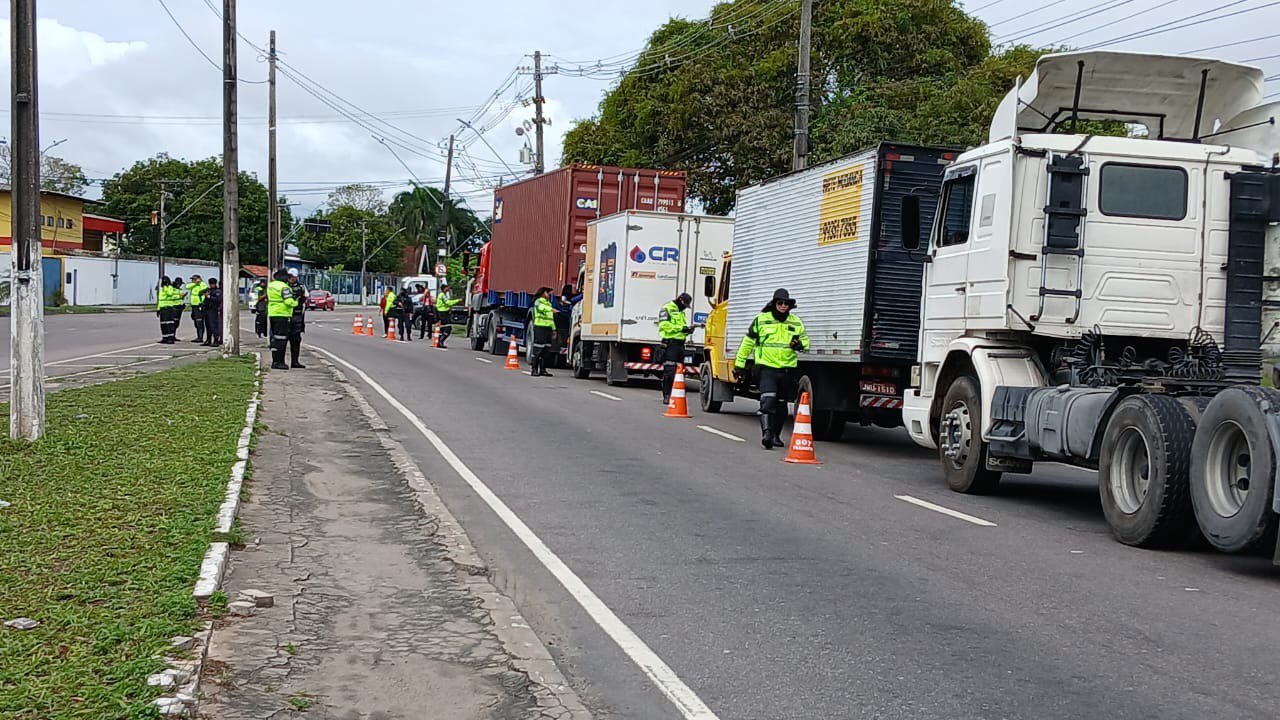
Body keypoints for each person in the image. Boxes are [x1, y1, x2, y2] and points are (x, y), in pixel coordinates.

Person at [734, 288, 809, 449]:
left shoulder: (796, 322)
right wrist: (739, 365)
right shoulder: (761, 320)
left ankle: (776, 436)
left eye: (786, 303)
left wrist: (800, 345)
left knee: (781, 405)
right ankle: (766, 434)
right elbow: (747, 343)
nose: (783, 306)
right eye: (780, 303)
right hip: (767, 369)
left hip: (787, 370)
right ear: (774, 303)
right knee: (768, 401)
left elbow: (806, 343)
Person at [657, 292, 695, 405]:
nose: (685, 307)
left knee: (679, 371)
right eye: (685, 304)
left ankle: (676, 394)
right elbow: (664, 326)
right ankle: (667, 395)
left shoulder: (680, 312)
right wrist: (681, 328)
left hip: (680, 345)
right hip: (670, 344)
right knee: (669, 370)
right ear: (681, 300)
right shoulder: (667, 308)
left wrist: (687, 331)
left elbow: (680, 330)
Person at [267, 269, 298, 370]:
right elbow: (289, 301)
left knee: (275, 338)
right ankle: (280, 362)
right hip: (282, 314)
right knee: (281, 339)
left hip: (272, 313)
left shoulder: (271, 285)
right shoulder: (284, 287)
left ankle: (274, 361)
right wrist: (296, 302)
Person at [529, 286, 557, 377]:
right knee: (538, 349)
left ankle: (543, 370)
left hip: (548, 329)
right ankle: (534, 369)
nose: (549, 294)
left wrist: (554, 329)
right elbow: (541, 308)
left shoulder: (548, 303)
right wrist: (551, 309)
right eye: (547, 293)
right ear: (543, 293)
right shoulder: (538, 301)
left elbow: (550, 319)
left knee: (546, 350)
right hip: (540, 328)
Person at [286, 269, 307, 367]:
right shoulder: (284, 285)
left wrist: (301, 298)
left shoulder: (301, 286)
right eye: (290, 276)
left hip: (297, 314)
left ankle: (295, 361)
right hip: (285, 315)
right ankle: (279, 361)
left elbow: (306, 297)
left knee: (296, 339)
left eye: (294, 276)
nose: (292, 278)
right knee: (282, 339)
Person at [156, 276, 183, 344]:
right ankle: (165, 337)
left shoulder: (169, 287)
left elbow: (170, 294)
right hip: (162, 307)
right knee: (163, 324)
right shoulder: (161, 288)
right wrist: (158, 309)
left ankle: (170, 338)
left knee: (169, 323)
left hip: (168, 307)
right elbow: (160, 299)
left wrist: (166, 287)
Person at [202, 277, 223, 347]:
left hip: (213, 310)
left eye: (212, 284)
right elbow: (205, 298)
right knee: (208, 326)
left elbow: (217, 300)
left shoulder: (217, 291)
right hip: (207, 309)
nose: (211, 285)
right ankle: (208, 340)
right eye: (210, 284)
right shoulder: (209, 290)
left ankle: (216, 340)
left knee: (213, 326)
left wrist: (209, 297)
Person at [187, 273, 208, 343]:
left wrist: (199, 282)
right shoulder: (193, 285)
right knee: (195, 321)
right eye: (193, 279)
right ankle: (198, 336)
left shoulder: (203, 284)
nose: (193, 280)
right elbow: (187, 286)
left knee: (199, 321)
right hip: (194, 305)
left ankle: (200, 337)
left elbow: (205, 288)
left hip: (199, 305)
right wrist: (195, 283)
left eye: (194, 279)